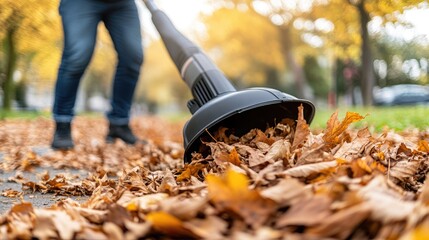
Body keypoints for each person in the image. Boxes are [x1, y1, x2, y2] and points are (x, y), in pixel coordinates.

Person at [51, 0, 144, 149]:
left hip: (122, 4)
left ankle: (118, 124)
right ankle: (62, 124)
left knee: (132, 56)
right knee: (77, 57)